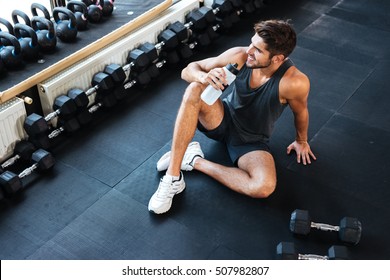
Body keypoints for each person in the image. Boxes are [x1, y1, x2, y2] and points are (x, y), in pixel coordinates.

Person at [148, 19, 316, 214]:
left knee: (264, 187)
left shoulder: (294, 82)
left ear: (277, 58)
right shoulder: (241, 56)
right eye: (251, 43)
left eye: (258, 50)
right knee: (194, 88)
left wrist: (301, 141)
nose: (250, 51)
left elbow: (300, 112)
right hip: (221, 119)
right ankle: (173, 176)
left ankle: (194, 160)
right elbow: (189, 69)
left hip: (251, 141)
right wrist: (203, 77)